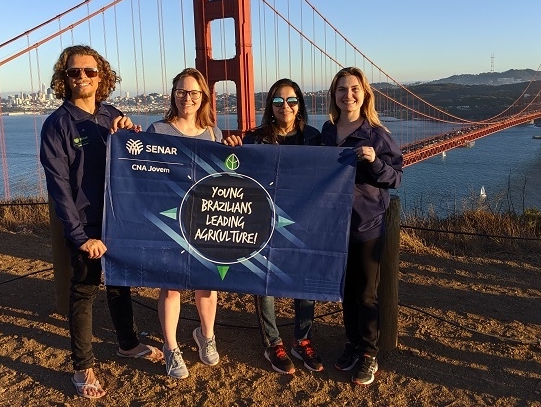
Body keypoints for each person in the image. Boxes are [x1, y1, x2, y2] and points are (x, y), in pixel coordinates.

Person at [40, 45, 163, 399]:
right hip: (86, 227)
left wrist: (130, 137)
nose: (82, 77)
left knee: (121, 285)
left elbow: (130, 166)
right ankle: (82, 368)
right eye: (74, 72)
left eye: (89, 71)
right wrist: (79, 236)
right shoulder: (57, 125)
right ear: (63, 79)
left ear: (102, 76)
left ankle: (127, 343)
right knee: (84, 292)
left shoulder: (112, 114)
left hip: (117, 220)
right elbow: (59, 187)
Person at [223, 78, 324, 374]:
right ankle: (273, 343)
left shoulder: (315, 138)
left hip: (304, 221)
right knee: (264, 282)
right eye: (278, 102)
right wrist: (230, 148)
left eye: (292, 101)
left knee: (304, 281)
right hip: (264, 222)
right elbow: (232, 167)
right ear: (270, 106)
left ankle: (302, 340)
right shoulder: (254, 139)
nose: (285, 107)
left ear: (300, 105)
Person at [320, 66, 403, 386]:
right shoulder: (326, 133)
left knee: (367, 293)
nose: (348, 94)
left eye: (354, 89)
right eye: (341, 89)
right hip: (334, 227)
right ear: (334, 95)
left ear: (365, 94)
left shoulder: (377, 135)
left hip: (366, 226)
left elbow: (395, 178)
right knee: (346, 291)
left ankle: (369, 353)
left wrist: (375, 161)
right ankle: (352, 344)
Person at [146, 67, 223, 379]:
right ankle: (170, 347)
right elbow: (141, 174)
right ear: (173, 94)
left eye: (193, 92)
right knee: (172, 287)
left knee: (207, 283)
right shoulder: (157, 129)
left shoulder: (214, 133)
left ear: (203, 96)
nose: (187, 98)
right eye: (181, 91)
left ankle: (206, 335)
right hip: (169, 221)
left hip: (205, 221)